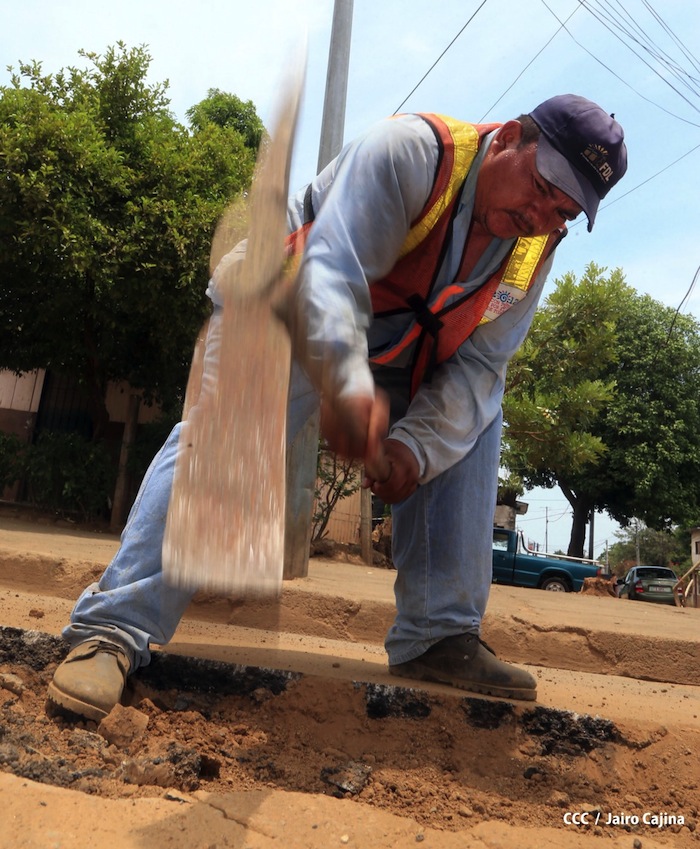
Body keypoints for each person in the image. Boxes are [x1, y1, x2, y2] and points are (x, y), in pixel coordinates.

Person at [47, 94, 627, 721]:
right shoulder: (411, 153)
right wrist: (348, 387)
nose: (541, 215)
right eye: (542, 187)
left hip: (400, 352)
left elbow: (481, 364)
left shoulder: (532, 251)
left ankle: (439, 635)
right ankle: (112, 631)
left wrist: (414, 448)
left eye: (563, 211)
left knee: (476, 418)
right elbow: (331, 276)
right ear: (511, 138)